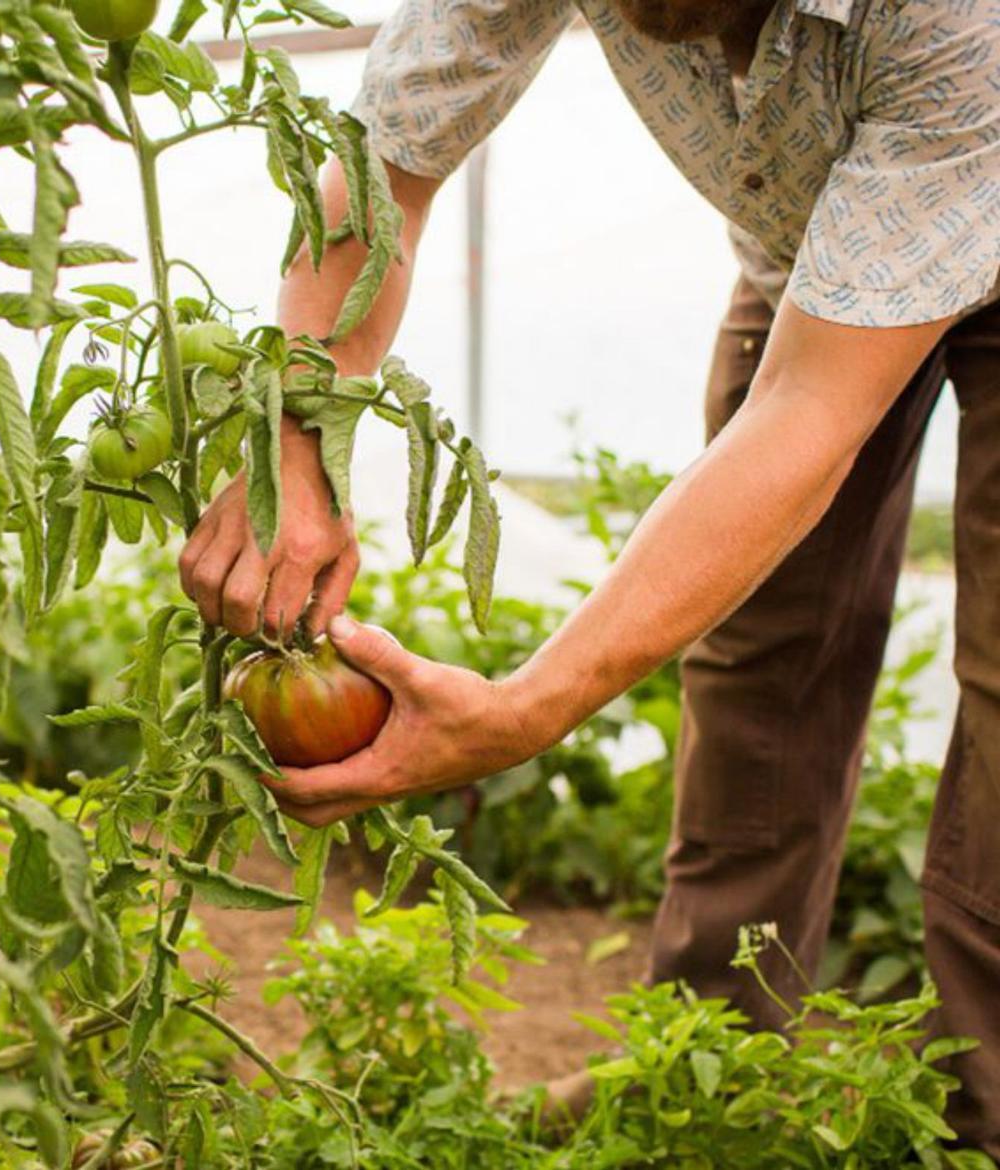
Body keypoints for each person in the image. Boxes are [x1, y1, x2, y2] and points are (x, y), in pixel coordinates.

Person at [177, 0, 1000, 1155]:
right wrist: (299, 433)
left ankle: (982, 1118)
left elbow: (815, 414)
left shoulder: (950, 22)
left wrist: (531, 707)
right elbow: (383, 162)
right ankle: (703, 1059)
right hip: (813, 256)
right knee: (757, 652)